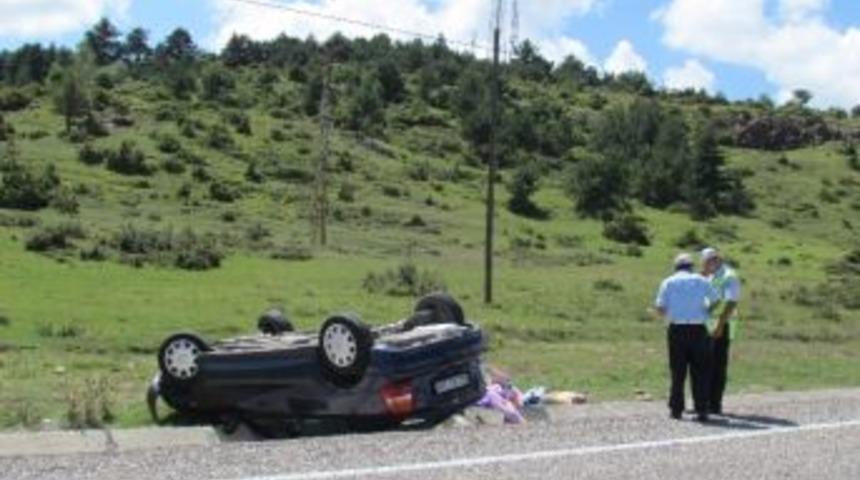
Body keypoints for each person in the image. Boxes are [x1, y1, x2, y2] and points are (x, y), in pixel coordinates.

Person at [654, 253, 720, 422]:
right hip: (699, 329)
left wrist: (669, 314)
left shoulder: (668, 282)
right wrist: (706, 311)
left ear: (676, 267)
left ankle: (676, 409)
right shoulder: (700, 280)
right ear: (691, 267)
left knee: (678, 371)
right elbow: (716, 299)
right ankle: (702, 409)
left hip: (677, 329)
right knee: (700, 371)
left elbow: (660, 307)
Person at [701, 247, 742, 415]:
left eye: (706, 262)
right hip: (709, 325)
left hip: (721, 326)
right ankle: (706, 401)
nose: (704, 266)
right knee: (706, 364)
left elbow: (731, 303)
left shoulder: (729, 276)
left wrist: (719, 326)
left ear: (714, 260)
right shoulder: (713, 275)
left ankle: (715, 404)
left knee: (717, 365)